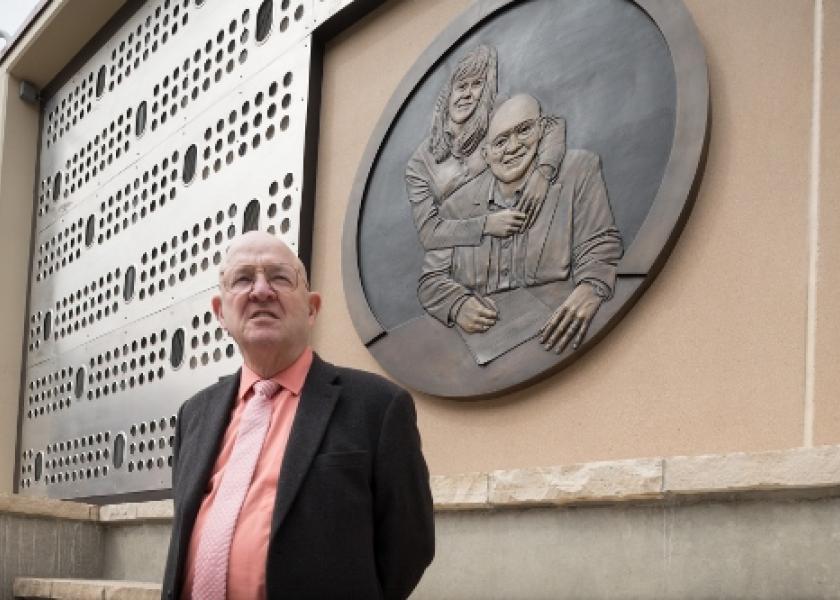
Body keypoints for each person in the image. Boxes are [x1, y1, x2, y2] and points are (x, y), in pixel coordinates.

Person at [161, 231, 434, 600]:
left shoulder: (378, 406)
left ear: (311, 309)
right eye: (243, 279)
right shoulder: (194, 414)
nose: (261, 291)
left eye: (279, 277)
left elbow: (409, 546)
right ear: (219, 312)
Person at [418, 94, 623, 353]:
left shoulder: (578, 170)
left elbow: (599, 243)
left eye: (524, 130)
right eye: (500, 141)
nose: (513, 147)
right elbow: (431, 280)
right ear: (486, 153)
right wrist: (456, 304)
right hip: (483, 350)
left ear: (542, 130)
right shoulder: (455, 207)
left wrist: (592, 287)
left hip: (556, 331)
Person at [405, 44, 567, 250]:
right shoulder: (420, 163)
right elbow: (429, 234)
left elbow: (552, 125)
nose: (467, 94)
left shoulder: (498, 113)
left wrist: (543, 174)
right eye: (461, 86)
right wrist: (486, 225)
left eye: (477, 84)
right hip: (462, 260)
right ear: (448, 94)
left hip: (526, 235)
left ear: (486, 88)